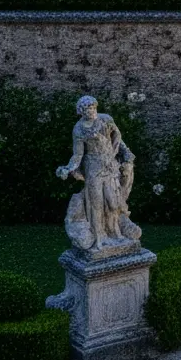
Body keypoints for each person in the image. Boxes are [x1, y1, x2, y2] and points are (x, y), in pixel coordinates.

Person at [58, 95, 141, 253]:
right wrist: (69, 168)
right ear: (81, 112)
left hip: (110, 166)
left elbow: (118, 137)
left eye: (93, 107)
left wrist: (123, 151)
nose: (91, 111)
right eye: (87, 108)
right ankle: (100, 238)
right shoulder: (79, 129)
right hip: (93, 170)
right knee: (97, 205)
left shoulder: (105, 119)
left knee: (113, 203)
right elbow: (78, 155)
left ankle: (116, 233)